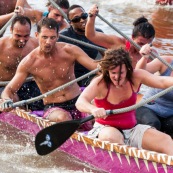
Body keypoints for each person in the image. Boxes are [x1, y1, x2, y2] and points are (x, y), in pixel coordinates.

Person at [0, 18, 97, 129]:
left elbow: (96, 67)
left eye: (52, 38)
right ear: (37, 35)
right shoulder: (29, 62)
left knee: (94, 114)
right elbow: (9, 90)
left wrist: (112, 63)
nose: (48, 42)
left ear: (58, 36)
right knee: (63, 118)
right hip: (54, 107)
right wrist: (6, 100)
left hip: (78, 100)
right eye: (44, 37)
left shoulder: (70, 50)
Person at [75, 48, 173, 155]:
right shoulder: (100, 82)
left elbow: (162, 81)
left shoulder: (136, 76)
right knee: (113, 138)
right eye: (113, 73)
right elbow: (80, 102)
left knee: (166, 140)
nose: (117, 78)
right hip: (105, 129)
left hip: (132, 130)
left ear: (128, 69)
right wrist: (93, 109)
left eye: (121, 73)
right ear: (107, 70)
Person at [85, 4, 155, 68]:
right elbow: (91, 35)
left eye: (148, 44)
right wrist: (91, 17)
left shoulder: (152, 55)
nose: (144, 48)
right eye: (141, 44)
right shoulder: (118, 43)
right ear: (132, 37)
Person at [0, 15, 44, 110]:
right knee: (13, 99)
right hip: (4, 86)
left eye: (26, 36)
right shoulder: (1, 45)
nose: (22, 40)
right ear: (11, 30)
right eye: (18, 35)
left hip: (28, 83)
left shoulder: (36, 44)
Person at [58, 4, 104, 87]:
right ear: (70, 22)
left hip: (91, 73)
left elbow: (107, 55)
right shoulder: (62, 37)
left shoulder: (98, 33)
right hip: (70, 77)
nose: (82, 20)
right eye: (76, 19)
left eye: (84, 16)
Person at [135, 44, 173, 137]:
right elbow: (138, 72)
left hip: (169, 115)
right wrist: (144, 57)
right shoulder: (166, 61)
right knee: (153, 124)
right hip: (148, 107)